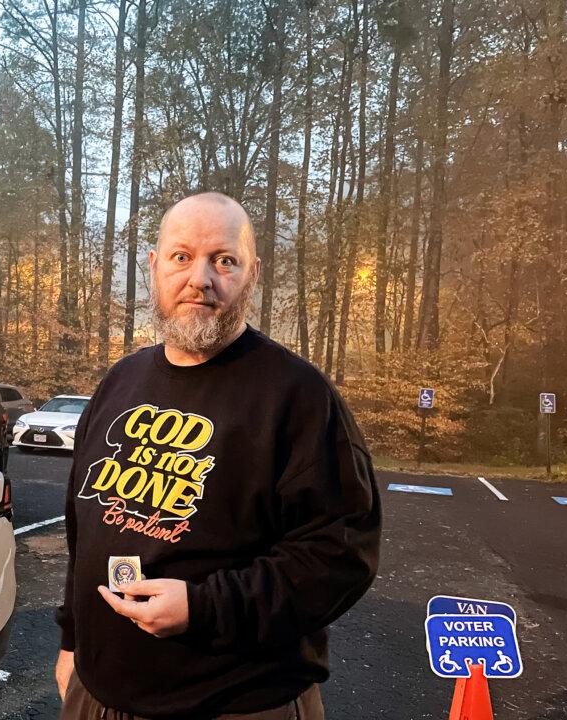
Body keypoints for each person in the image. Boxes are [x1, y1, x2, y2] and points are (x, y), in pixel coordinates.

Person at [55, 192, 381, 719]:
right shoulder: (119, 381)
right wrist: (72, 640)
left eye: (223, 260)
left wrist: (204, 609)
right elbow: (81, 525)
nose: (200, 279)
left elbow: (339, 555)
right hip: (98, 695)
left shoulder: (297, 395)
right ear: (155, 267)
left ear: (251, 274)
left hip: (238, 702)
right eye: (182, 257)